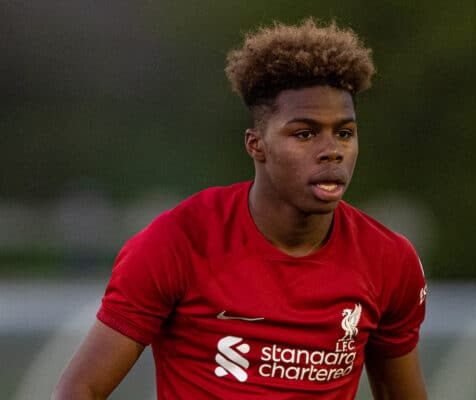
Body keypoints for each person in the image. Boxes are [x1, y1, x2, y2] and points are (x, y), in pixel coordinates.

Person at [53, 18, 428, 400]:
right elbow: (79, 388)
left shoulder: (390, 260)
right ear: (256, 145)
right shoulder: (179, 241)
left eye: (344, 133)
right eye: (304, 133)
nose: (332, 150)